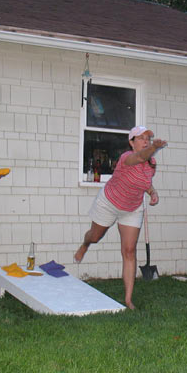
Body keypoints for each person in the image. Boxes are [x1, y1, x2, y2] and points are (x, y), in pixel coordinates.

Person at [74, 126, 167, 310]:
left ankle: (128, 299)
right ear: (131, 143)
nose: (145, 141)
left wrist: (152, 192)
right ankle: (85, 245)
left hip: (132, 208)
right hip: (109, 202)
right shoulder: (127, 158)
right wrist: (154, 147)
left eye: (147, 138)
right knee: (95, 236)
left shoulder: (152, 163)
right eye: (141, 138)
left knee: (129, 251)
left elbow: (145, 181)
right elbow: (139, 157)